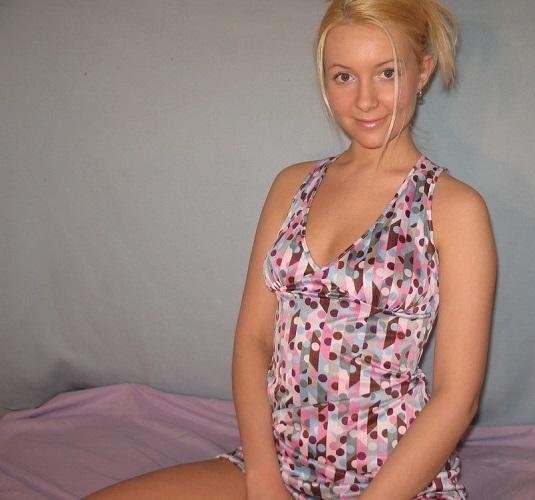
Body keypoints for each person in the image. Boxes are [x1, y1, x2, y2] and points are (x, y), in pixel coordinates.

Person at [86, 0, 496, 498]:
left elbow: (457, 397)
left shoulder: (454, 209)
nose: (365, 100)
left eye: (387, 73)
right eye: (344, 77)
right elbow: (253, 340)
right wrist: (262, 477)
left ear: (423, 71)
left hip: (396, 482)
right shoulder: (292, 186)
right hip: (278, 466)